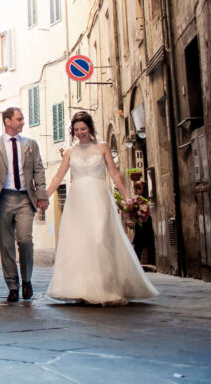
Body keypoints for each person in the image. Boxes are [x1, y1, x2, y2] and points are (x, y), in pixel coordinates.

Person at [45, 111, 159, 305]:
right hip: (78, 201)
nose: (80, 133)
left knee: (99, 239)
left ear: (90, 128)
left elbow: (114, 174)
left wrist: (127, 198)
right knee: (80, 243)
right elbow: (58, 176)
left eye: (83, 129)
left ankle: (104, 287)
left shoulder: (103, 147)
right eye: (76, 130)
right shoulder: (70, 152)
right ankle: (80, 288)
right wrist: (44, 197)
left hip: (99, 198)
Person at [0, 107, 49, 302]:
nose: (23, 122)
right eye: (20, 119)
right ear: (8, 121)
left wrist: (42, 195)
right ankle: (12, 286)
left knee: (25, 240)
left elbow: (39, 170)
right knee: (6, 246)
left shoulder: (30, 144)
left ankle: (27, 280)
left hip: (25, 198)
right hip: (3, 199)